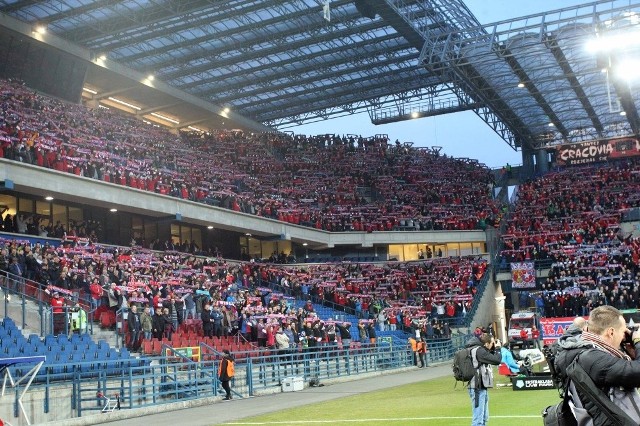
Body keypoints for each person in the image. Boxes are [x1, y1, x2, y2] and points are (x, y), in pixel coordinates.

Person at [554, 306, 640, 424]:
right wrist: (637, 341)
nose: (624, 337)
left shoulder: (586, 351)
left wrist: (633, 354)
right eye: (623, 331)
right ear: (611, 332)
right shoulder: (593, 358)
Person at [466, 332, 502, 426]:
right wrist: (498, 348)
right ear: (486, 343)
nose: (493, 345)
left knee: (484, 417)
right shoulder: (479, 351)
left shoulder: (479, 350)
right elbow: (496, 360)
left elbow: (491, 357)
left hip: (480, 386)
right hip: (477, 387)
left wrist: (494, 349)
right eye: (492, 343)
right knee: (478, 419)